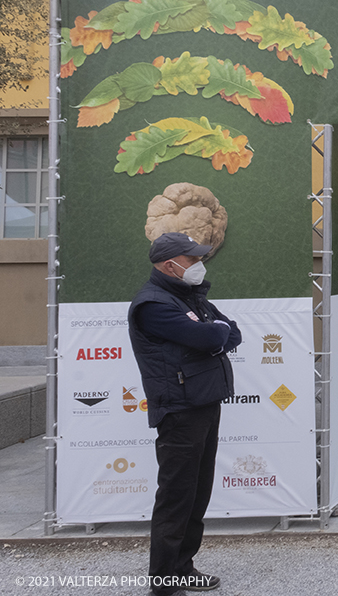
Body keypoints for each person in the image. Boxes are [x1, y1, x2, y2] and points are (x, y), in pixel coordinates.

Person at [128, 232, 239, 595]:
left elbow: (232, 333)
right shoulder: (153, 304)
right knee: (177, 496)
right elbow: (210, 339)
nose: (198, 265)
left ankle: (182, 567)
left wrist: (214, 333)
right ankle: (164, 580)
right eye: (191, 259)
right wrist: (212, 335)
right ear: (169, 264)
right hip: (179, 410)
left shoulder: (190, 295)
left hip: (204, 403)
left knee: (197, 494)